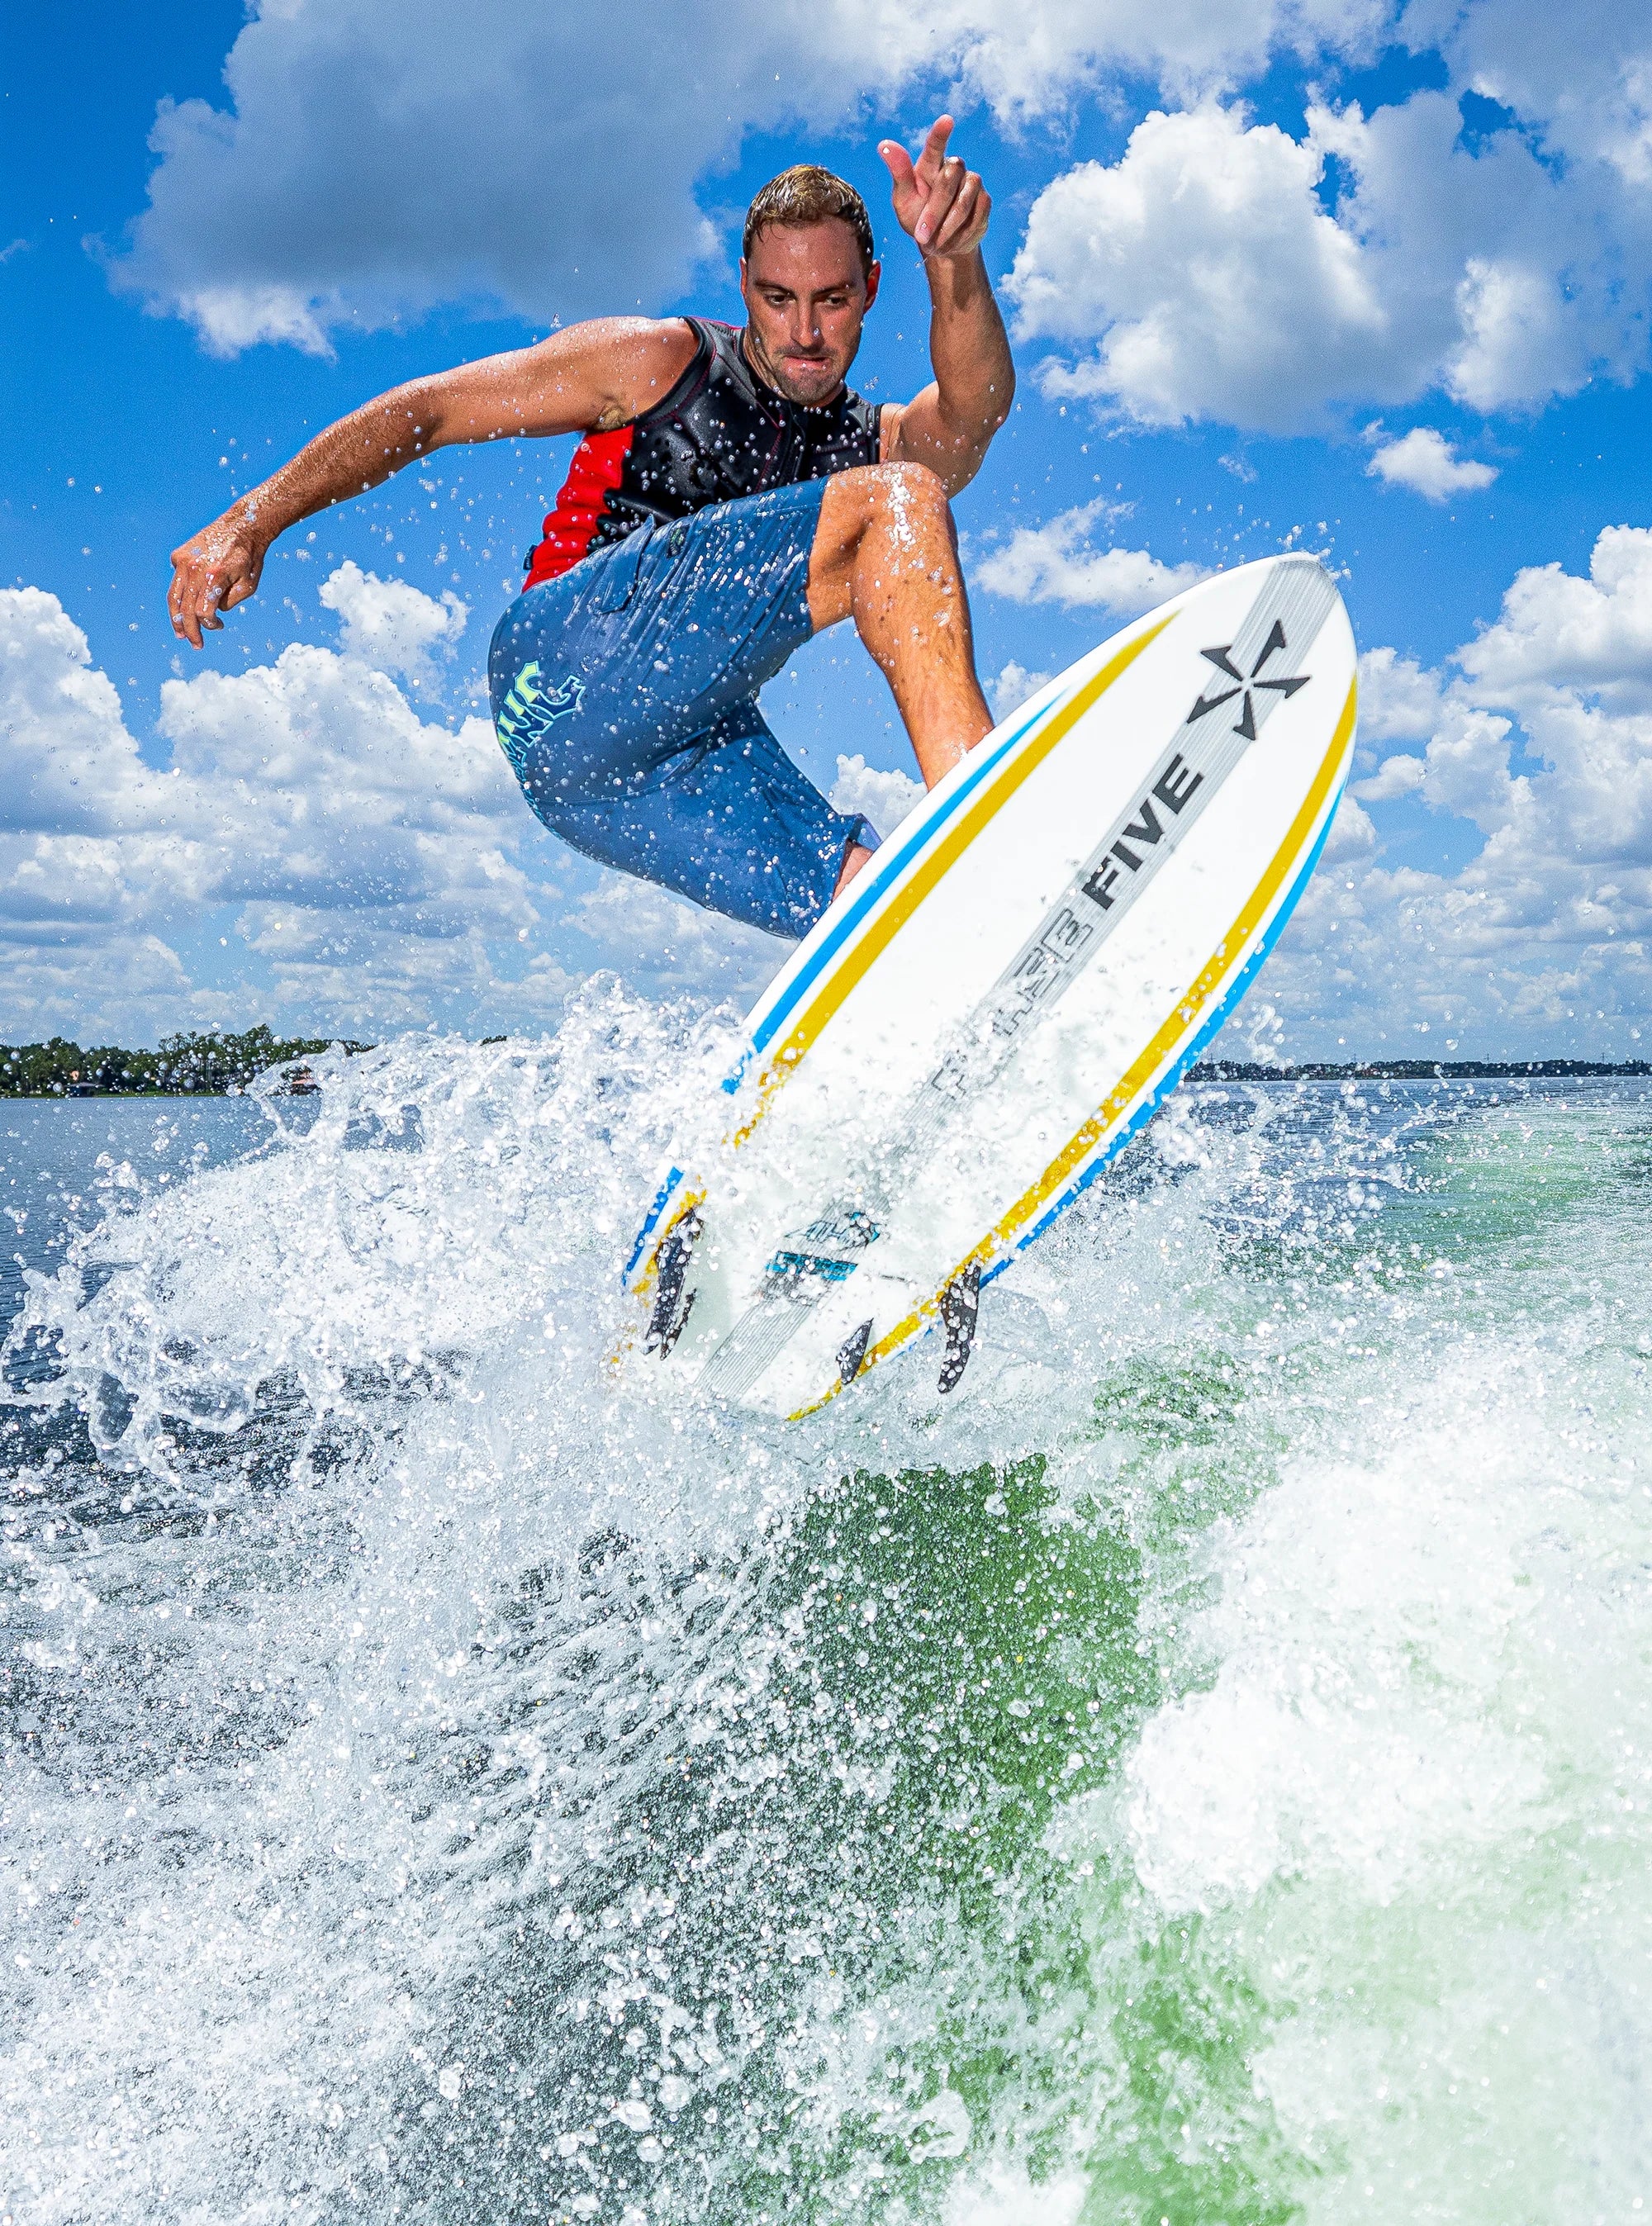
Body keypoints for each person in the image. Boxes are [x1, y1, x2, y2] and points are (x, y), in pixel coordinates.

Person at [169, 118, 1014, 940]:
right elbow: (432, 411)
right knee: (899, 500)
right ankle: (994, 830)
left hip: (606, 780)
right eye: (776, 298)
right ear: (743, 284)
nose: (803, 333)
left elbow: (971, 416)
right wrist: (253, 520)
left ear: (869, 287)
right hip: (564, 655)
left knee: (874, 909)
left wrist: (953, 264)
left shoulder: (867, 442)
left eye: (830, 302)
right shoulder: (657, 360)